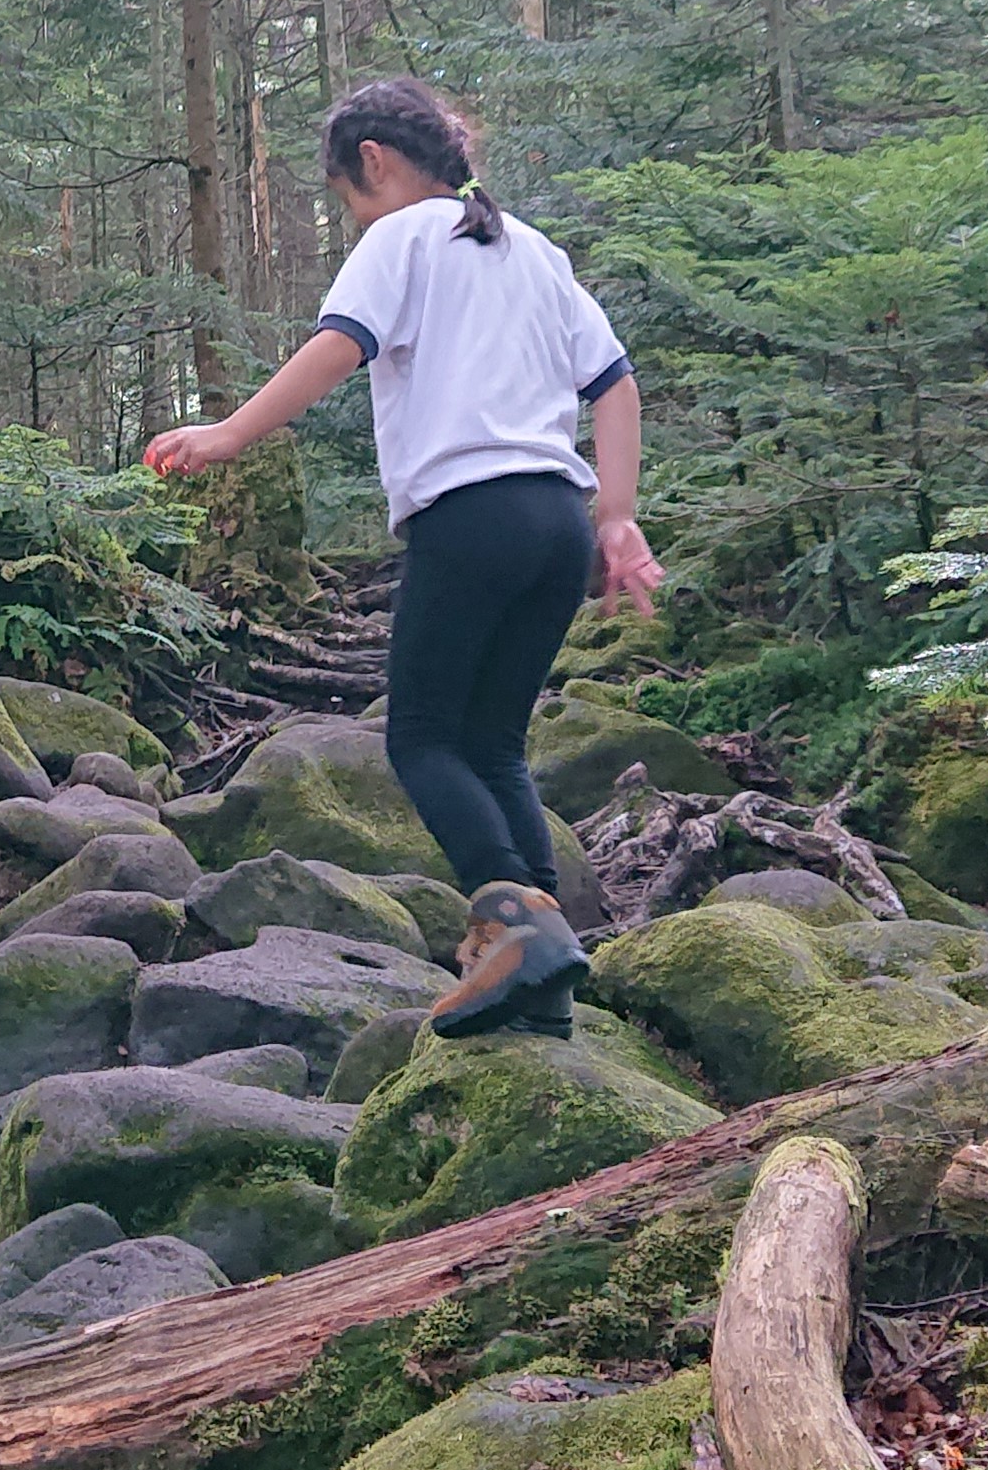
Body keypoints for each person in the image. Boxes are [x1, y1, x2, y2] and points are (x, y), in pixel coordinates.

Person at [146, 78, 660, 1039]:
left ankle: (511, 927)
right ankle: (541, 975)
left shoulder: (402, 237)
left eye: (347, 198)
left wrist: (228, 435)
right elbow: (615, 383)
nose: (353, 217)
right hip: (556, 520)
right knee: (493, 743)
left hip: (469, 515)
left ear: (372, 162)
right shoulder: (534, 251)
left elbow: (340, 346)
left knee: (420, 738)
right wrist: (618, 519)